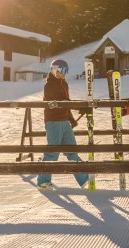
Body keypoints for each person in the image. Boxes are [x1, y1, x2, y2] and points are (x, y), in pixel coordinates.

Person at [36, 59, 88, 189]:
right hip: (53, 121)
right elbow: (62, 101)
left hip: (64, 121)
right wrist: (79, 106)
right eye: (63, 70)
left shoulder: (64, 83)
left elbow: (66, 104)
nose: (65, 73)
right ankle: (43, 182)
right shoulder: (49, 85)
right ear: (55, 70)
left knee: (72, 151)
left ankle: (84, 178)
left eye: (67, 70)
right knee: (52, 153)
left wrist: (71, 119)